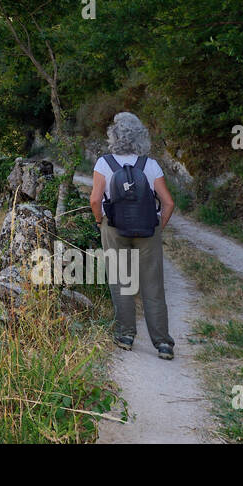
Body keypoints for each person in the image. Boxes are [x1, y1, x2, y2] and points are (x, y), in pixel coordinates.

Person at [89, 111, 177, 360]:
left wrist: (99, 221)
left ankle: (125, 336)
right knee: (153, 286)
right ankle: (163, 344)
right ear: (141, 137)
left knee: (121, 282)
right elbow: (168, 203)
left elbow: (95, 199)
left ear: (113, 136)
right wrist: (159, 226)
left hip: (114, 227)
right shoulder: (150, 165)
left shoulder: (104, 163)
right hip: (148, 229)